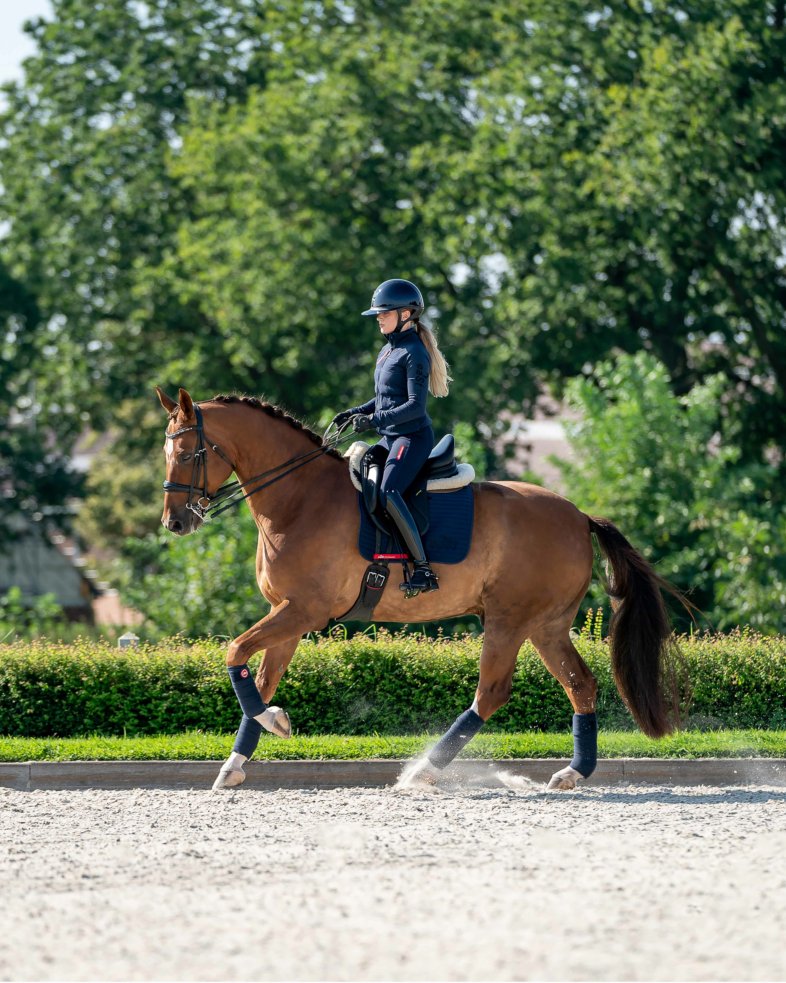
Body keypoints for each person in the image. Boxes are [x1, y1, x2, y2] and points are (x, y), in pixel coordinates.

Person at [333, 278, 452, 595]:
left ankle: (423, 569)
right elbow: (384, 397)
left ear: (406, 314)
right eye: (377, 313)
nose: (378, 318)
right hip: (389, 438)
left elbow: (414, 407)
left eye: (384, 313)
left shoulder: (414, 353)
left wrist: (372, 420)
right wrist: (354, 412)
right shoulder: (388, 350)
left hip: (411, 438)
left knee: (389, 490)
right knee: (363, 469)